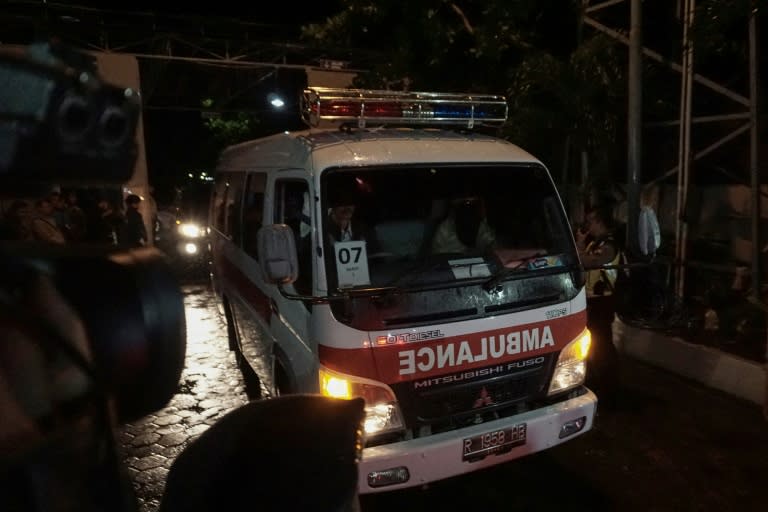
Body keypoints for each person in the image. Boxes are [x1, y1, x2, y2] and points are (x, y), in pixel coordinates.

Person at [576, 203, 621, 404]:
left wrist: (578, 251)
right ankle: (598, 382)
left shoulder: (610, 245)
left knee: (603, 344)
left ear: (599, 221)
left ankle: (609, 387)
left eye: (590, 221)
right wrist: (580, 244)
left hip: (604, 301)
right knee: (594, 344)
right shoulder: (595, 243)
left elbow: (590, 262)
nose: (588, 225)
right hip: (592, 301)